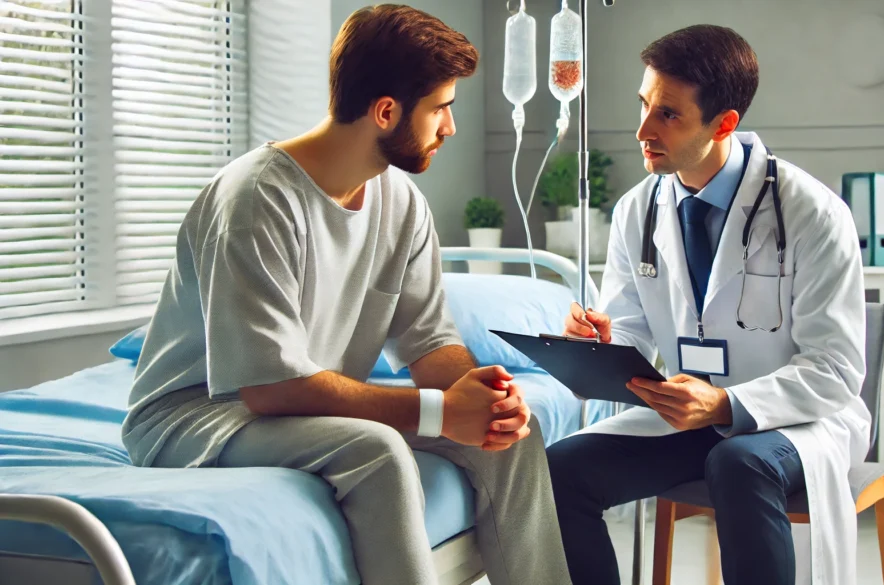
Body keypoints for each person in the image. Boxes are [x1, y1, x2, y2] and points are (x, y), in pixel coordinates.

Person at [120, 5, 571, 585]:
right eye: (441, 109)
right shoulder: (256, 202)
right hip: (197, 416)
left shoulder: (401, 202)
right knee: (376, 451)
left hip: (289, 405)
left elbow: (429, 342)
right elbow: (268, 385)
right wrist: (437, 412)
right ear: (386, 112)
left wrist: (484, 397)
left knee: (509, 442)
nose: (450, 127)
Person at [547, 25, 869, 585]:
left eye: (668, 115)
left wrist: (725, 404)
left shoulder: (813, 214)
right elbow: (631, 330)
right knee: (559, 470)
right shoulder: (636, 211)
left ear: (724, 124)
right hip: (686, 414)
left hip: (798, 422)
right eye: (644, 105)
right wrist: (600, 343)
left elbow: (836, 371)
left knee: (738, 462)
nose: (643, 129)